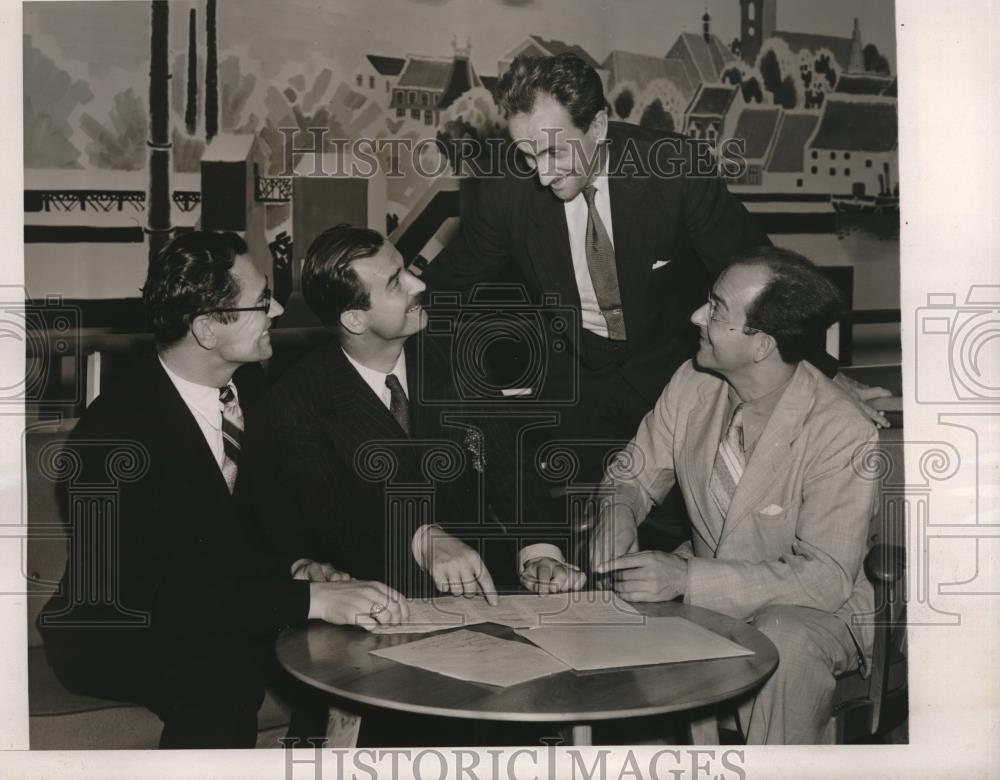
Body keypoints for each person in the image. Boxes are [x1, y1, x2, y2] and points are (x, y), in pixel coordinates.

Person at [422, 52, 888, 486]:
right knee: (573, 532)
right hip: (574, 385)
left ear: (599, 125)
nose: (541, 176)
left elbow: (764, 276)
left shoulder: (675, 171)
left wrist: (819, 372)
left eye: (554, 153)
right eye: (526, 155)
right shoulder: (505, 193)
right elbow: (446, 290)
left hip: (676, 378)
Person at [39, 231, 407, 749]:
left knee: (348, 654)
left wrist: (300, 565)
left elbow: (260, 519)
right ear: (208, 328)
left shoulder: (251, 388)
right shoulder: (112, 436)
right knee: (221, 676)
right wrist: (307, 598)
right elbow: (158, 595)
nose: (278, 308)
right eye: (261, 301)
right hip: (120, 628)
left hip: (223, 607)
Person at [587, 247, 878, 744]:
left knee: (782, 634)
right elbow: (631, 474)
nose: (697, 316)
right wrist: (616, 515)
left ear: (761, 344)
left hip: (814, 612)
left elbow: (826, 579)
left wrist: (685, 576)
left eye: (717, 309)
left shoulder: (841, 429)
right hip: (706, 593)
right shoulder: (692, 383)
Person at [243, 225, 582, 601]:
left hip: (486, 592)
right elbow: (335, 521)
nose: (417, 284)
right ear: (355, 319)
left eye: (406, 269)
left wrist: (539, 553)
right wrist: (422, 537)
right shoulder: (298, 398)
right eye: (395, 282)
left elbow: (510, 463)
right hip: (379, 601)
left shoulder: (455, 357)